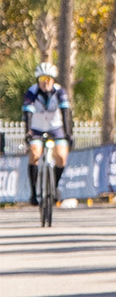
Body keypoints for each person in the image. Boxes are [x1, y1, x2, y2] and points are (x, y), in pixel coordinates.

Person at [21, 63, 72, 207]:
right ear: (38, 80)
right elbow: (28, 113)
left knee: (61, 157)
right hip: (37, 128)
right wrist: (28, 132)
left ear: (54, 79)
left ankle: (54, 186)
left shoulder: (60, 92)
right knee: (35, 154)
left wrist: (68, 133)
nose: (46, 81)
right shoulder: (32, 92)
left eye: (49, 78)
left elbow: (66, 112)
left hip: (56, 128)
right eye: (43, 78)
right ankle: (33, 192)